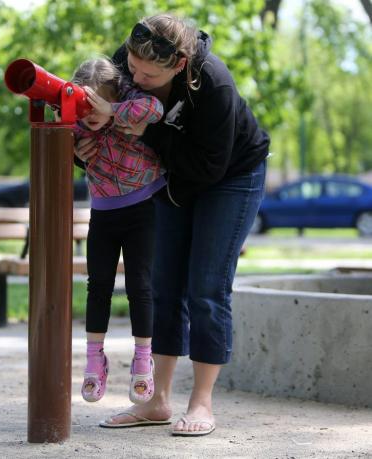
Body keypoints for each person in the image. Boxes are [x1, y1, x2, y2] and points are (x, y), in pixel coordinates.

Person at [75, 14, 269, 436]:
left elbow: (207, 169)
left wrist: (149, 133)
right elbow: (101, 125)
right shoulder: (124, 66)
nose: (136, 77)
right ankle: (156, 401)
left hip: (230, 177)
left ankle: (201, 404)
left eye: (150, 73)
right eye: (132, 64)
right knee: (164, 286)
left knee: (206, 288)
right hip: (164, 175)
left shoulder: (213, 83)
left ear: (178, 65)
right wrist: (84, 151)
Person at [71, 58, 167, 406]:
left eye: (94, 105)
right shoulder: (79, 127)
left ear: (113, 96)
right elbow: (58, 130)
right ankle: (94, 359)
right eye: (84, 106)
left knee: (140, 285)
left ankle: (143, 358)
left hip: (143, 209)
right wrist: (73, 149)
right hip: (104, 213)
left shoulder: (129, 108)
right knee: (98, 286)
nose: (89, 115)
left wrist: (112, 110)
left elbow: (155, 108)